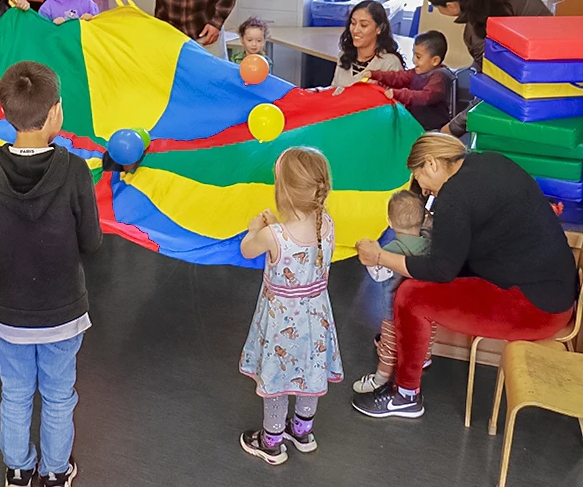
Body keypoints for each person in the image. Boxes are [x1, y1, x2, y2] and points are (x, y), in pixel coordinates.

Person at [352, 133, 577, 419]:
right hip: (553, 290)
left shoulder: (454, 196)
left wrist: (380, 257)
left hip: (535, 308)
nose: (423, 190)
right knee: (419, 281)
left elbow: (440, 271)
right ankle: (410, 346)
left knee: (410, 296)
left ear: (432, 164)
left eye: (419, 178)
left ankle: (406, 395)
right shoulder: (488, 162)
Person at [0, 61, 102, 487]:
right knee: (59, 396)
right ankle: (54, 471)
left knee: (14, 393)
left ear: (7, 112)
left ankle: (17, 470)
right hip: (62, 312)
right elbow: (92, 241)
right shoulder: (75, 170)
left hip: (8, 311)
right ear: (54, 113)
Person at [237, 147, 342, 466]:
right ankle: (302, 432)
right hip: (316, 320)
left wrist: (256, 227)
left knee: (279, 378)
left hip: (282, 324)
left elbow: (246, 250)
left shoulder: (273, 236)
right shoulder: (327, 224)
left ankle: (271, 442)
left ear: (282, 190)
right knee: (309, 373)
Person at [423, 0, 551, 136]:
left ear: (452, 6)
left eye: (438, 7)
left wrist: (452, 128)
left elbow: (494, 88)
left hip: (540, 89)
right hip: (562, 67)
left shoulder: (476, 32)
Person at [352, 191, 437, 394]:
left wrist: (370, 258)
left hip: (395, 313)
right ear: (424, 218)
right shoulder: (429, 243)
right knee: (425, 336)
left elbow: (379, 275)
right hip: (426, 310)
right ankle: (423, 359)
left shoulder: (391, 249)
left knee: (390, 347)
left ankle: (380, 379)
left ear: (390, 222)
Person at [367, 30, 454, 131]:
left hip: (433, 130)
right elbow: (398, 77)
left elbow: (426, 97)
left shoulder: (439, 78)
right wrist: (375, 74)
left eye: (418, 57)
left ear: (435, 60)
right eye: (413, 55)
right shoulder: (417, 72)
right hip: (415, 124)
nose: (413, 60)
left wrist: (398, 94)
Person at [330, 0, 405, 92]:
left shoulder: (390, 64)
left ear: (379, 29)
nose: (355, 30)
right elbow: (333, 91)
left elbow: (397, 103)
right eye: (353, 23)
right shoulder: (344, 56)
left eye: (363, 25)